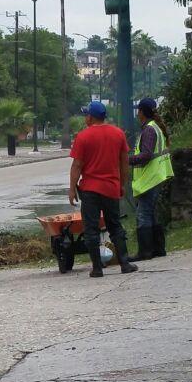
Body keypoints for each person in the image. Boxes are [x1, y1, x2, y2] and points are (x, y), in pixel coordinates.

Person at [69, 101, 137, 279]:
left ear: (90, 117)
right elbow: (124, 162)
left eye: (86, 115)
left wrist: (71, 189)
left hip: (90, 190)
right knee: (115, 225)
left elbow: (77, 165)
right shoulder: (118, 133)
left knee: (91, 228)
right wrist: (122, 184)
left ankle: (97, 268)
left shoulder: (83, 137)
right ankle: (124, 263)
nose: (85, 117)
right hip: (111, 188)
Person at [129, 98, 174, 261]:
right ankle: (158, 249)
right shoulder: (155, 127)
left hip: (150, 178)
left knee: (143, 214)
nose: (137, 113)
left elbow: (146, 155)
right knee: (152, 213)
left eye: (138, 110)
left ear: (141, 112)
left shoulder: (148, 130)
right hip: (156, 176)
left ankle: (145, 252)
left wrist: (126, 160)